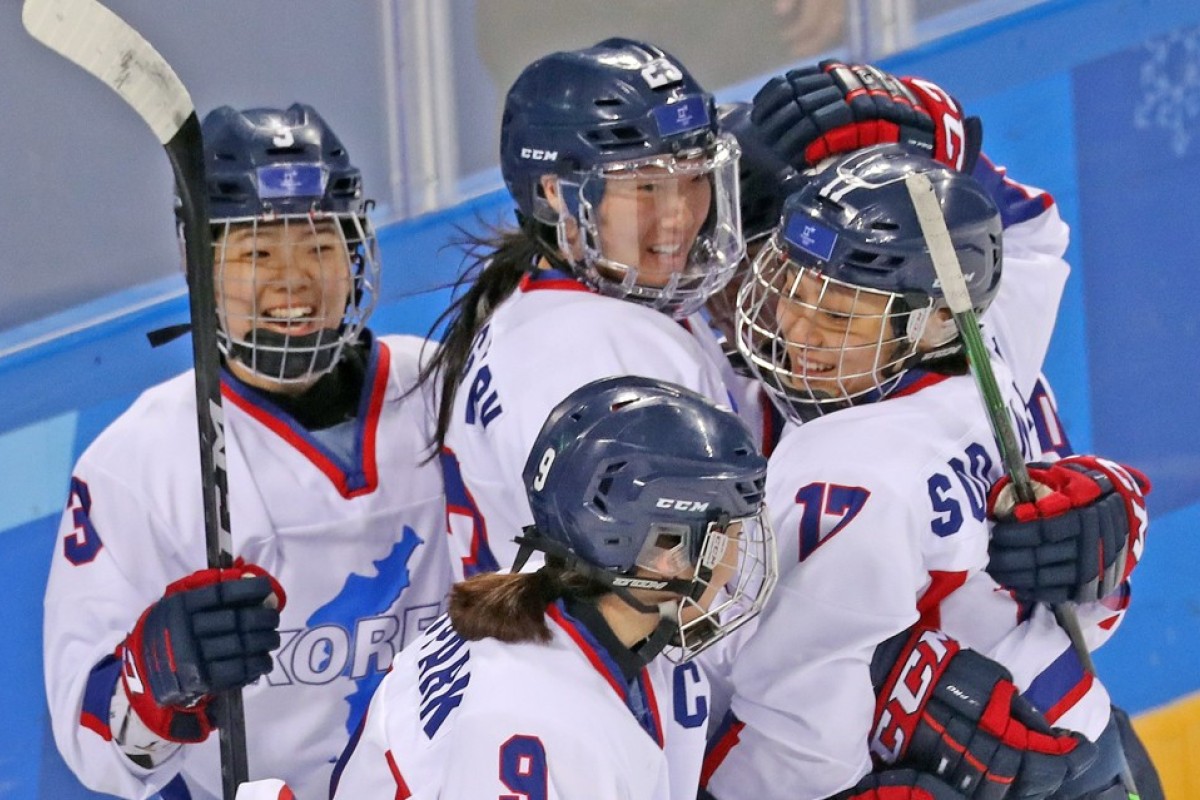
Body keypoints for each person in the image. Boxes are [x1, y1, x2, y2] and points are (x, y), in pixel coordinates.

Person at [705, 62, 1162, 798]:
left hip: (1013, 744)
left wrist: (1106, 520)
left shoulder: (852, 447)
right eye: (784, 285)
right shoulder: (975, 349)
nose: (782, 320)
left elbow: (797, 709)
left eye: (834, 303)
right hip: (1061, 732)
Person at [43, 103, 453, 800]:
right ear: (198, 263)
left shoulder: (444, 387)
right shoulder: (139, 461)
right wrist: (155, 678)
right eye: (257, 252)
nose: (293, 280)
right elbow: (93, 737)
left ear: (356, 254)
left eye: (320, 245)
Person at [327, 376, 779, 799]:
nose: (733, 565)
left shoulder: (544, 601)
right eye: (731, 536)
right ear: (667, 549)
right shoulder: (537, 721)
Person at [418, 37, 762, 581]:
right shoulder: (605, 352)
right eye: (646, 186)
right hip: (617, 661)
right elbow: (675, 593)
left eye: (695, 179)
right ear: (556, 192)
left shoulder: (538, 303)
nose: (679, 217)